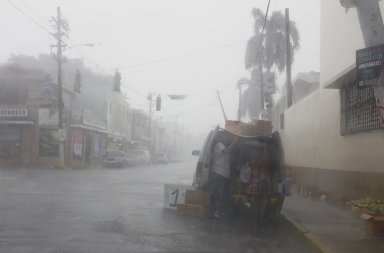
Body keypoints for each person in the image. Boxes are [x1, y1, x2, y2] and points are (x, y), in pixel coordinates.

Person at [211, 136, 237, 218]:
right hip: (219, 173)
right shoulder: (219, 145)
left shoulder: (224, 146)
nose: (227, 139)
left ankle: (220, 211)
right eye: (226, 138)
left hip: (224, 175)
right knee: (220, 193)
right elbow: (227, 150)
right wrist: (235, 140)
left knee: (223, 194)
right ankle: (217, 211)